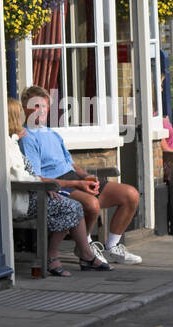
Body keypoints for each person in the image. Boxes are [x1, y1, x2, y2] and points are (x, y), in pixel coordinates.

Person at [18, 84, 143, 264]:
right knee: (92, 205)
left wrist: (85, 177)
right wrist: (77, 184)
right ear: (25, 107)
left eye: (44, 106)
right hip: (58, 185)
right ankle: (85, 246)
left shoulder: (52, 134)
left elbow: (71, 164)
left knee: (130, 194)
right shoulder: (27, 137)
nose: (41, 111)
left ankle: (112, 247)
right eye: (36, 106)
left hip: (74, 179)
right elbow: (36, 176)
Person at [6, 97, 109, 274]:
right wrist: (46, 187)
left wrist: (49, 187)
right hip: (22, 198)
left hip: (35, 191)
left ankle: (84, 254)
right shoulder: (8, 144)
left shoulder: (14, 140)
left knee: (73, 207)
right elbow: (19, 176)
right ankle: (53, 258)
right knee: (71, 208)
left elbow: (32, 172)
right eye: (22, 113)